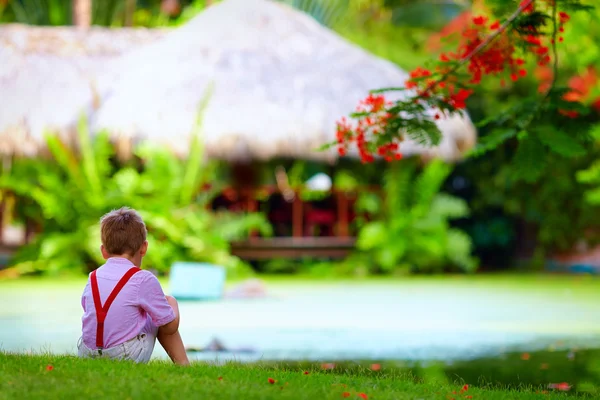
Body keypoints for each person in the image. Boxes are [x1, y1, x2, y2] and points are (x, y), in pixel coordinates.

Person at [77, 207, 189, 365]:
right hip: (123, 356)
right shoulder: (143, 279)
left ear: (103, 251)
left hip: (87, 354)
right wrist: (172, 303)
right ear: (144, 248)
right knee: (159, 312)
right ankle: (184, 364)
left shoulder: (92, 277)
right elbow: (169, 327)